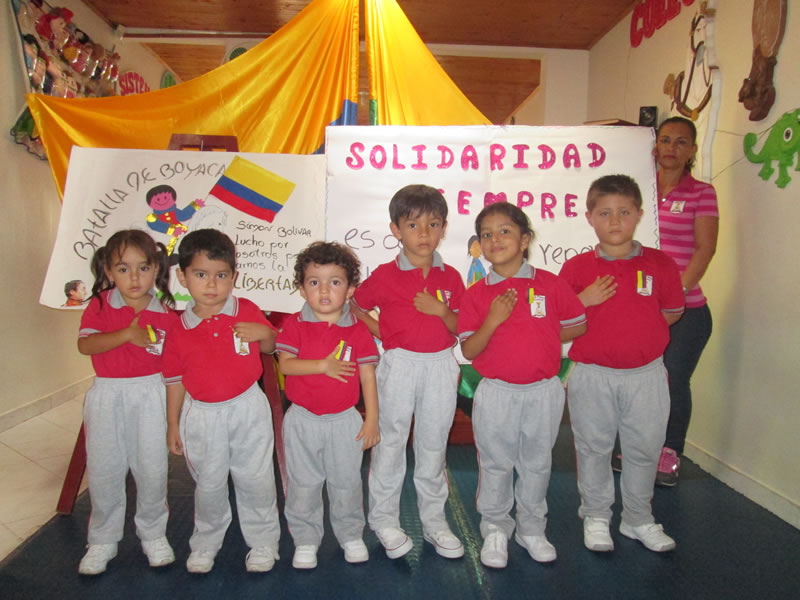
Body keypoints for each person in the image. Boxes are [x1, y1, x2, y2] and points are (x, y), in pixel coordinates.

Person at [560, 174, 685, 554]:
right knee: (593, 448)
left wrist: (639, 335)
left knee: (644, 449)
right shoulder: (576, 269)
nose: (615, 221)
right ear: (589, 218)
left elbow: (672, 312)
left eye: (624, 212)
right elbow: (560, 326)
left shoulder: (660, 264)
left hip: (645, 376)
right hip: (593, 375)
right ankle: (596, 515)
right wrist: (583, 299)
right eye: (605, 213)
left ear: (639, 215)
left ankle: (637, 518)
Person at [458, 202, 587, 569]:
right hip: (496, 392)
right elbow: (469, 348)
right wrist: (494, 320)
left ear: (525, 239)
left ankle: (532, 528)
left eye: (505, 231)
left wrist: (544, 332)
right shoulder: (477, 294)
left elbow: (577, 324)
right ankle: (495, 528)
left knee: (536, 463)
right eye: (486, 234)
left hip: (543, 391)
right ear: (479, 244)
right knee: (496, 463)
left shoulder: (550, 283)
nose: (494, 239)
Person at [352, 184, 465, 560]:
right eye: (413, 225)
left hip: (439, 366)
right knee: (390, 444)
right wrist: (383, 333)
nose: (424, 234)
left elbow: (460, 324)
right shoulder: (385, 275)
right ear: (396, 230)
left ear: (444, 228)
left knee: (433, 446)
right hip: (398, 365)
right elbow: (354, 305)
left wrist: (441, 312)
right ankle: (383, 519)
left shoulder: (451, 278)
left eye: (433, 224)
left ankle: (434, 522)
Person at [163, 229, 280, 574]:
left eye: (221, 275)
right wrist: (172, 424)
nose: (212, 284)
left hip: (248, 407)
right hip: (201, 415)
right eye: (201, 275)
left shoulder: (247, 309)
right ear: (182, 277)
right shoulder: (179, 328)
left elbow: (274, 347)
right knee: (209, 483)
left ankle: (263, 542)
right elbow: (174, 381)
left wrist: (267, 334)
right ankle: (206, 542)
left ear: (234, 277)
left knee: (256, 477)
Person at [76, 230, 176, 575]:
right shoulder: (100, 305)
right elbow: (86, 346)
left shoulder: (166, 310)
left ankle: (153, 533)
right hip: (107, 394)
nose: (134, 278)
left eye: (143, 267)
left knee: (151, 468)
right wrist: (127, 335)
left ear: (156, 269)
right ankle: (102, 539)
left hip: (151, 393)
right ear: (108, 271)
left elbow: (175, 360)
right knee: (105, 469)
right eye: (123, 268)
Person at [276, 241, 380, 569]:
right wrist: (322, 365)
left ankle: (350, 534)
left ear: (349, 290)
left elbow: (367, 377)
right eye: (314, 282)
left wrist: (372, 419)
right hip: (302, 420)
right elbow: (287, 365)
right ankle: (306, 539)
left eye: (334, 282)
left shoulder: (359, 330)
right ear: (302, 288)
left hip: (344, 421)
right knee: (304, 484)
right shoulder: (294, 324)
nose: (324, 290)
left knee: (347, 483)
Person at [654, 116, 719, 486]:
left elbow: (705, 249)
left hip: (687, 311)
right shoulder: (640, 192)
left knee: (673, 380)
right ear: (655, 146)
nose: (671, 148)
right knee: (639, 382)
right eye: (665, 140)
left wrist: (673, 298)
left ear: (692, 150)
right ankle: (633, 448)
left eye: (681, 142)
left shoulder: (701, 193)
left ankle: (669, 454)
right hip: (643, 311)